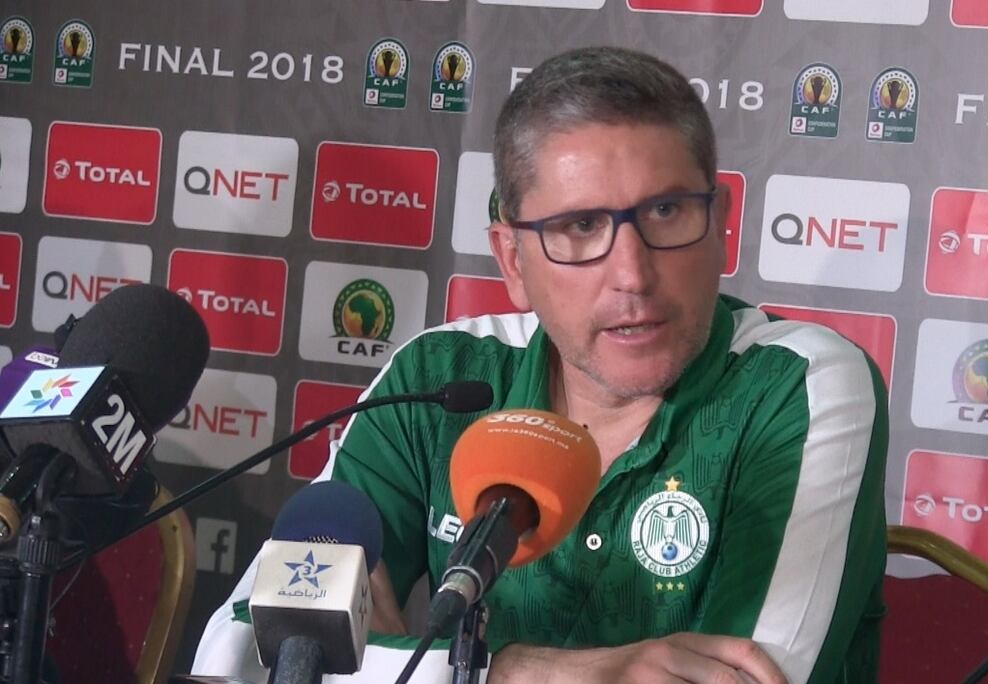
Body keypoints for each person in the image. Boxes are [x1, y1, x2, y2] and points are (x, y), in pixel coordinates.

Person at [193, 46, 888, 684]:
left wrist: (384, 664)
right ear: (512, 261)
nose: (632, 275)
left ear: (721, 225)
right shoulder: (440, 381)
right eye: (580, 227)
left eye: (667, 211)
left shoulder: (797, 384)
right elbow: (241, 654)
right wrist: (516, 672)